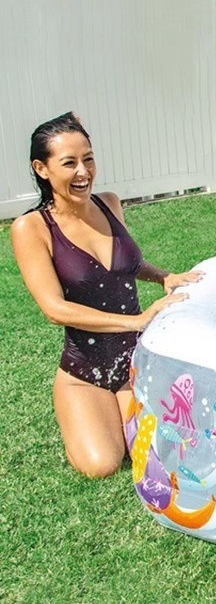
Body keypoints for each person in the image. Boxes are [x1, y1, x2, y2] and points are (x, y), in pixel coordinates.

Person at [11, 112, 202, 478]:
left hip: (134, 365)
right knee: (102, 464)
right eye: (69, 163)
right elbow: (54, 309)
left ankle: (118, 409)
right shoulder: (31, 228)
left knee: (162, 454)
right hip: (83, 374)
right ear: (41, 168)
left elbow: (126, 264)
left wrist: (163, 276)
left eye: (88, 158)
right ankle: (82, 412)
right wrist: (137, 321)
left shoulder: (109, 203)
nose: (83, 172)